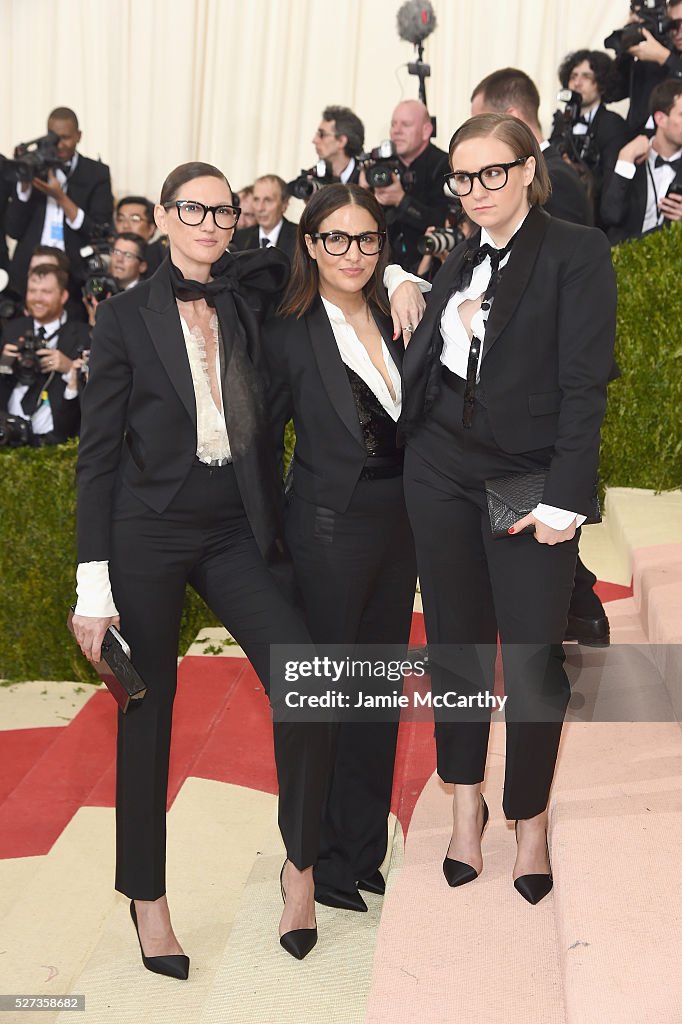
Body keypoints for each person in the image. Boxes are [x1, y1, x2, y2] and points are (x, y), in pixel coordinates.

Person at [71, 161, 337, 970]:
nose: (210, 224)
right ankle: (147, 902)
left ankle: (301, 866)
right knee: (146, 715)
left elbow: (325, 251)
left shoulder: (246, 291)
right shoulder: (121, 319)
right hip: (147, 530)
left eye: (222, 212)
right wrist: (94, 587)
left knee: (305, 677)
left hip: (234, 528)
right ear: (161, 215)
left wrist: (394, 271)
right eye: (193, 210)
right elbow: (96, 459)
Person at [400, 114, 616, 903]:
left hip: (528, 475)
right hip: (439, 469)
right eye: (463, 177)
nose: (477, 189)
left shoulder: (576, 250)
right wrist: (408, 284)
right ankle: (465, 804)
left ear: (529, 170)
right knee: (454, 648)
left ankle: (530, 817)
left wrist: (567, 498)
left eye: (493, 172)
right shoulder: (459, 254)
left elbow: (584, 385)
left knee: (531, 656)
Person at [263, 183, 417, 913]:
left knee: (375, 695)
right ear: (310, 243)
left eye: (367, 240)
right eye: (335, 239)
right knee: (324, 698)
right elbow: (259, 443)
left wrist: (404, 276)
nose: (351, 253)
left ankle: (361, 849)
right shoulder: (289, 328)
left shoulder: (397, 312)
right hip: (325, 531)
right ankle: (316, 860)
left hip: (401, 527)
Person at [6, 107, 113, 296]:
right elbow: (13, 230)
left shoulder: (96, 173)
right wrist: (24, 187)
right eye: (54, 137)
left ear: (78, 136)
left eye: (65, 137)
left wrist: (61, 198)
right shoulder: (33, 168)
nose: (59, 145)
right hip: (28, 274)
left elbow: (99, 232)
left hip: (74, 275)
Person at [471, 68, 594, 226]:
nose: (476, 137)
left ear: (512, 118)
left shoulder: (554, 179)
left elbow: (561, 247)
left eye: (482, 125)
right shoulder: (540, 172)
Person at [0, 265, 87, 444]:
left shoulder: (83, 335)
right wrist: (3, 365)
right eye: (32, 291)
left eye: (46, 292)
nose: (37, 298)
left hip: (57, 441)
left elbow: (95, 397)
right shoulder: (12, 329)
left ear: (63, 296)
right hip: (8, 436)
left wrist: (69, 368)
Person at [367, 100, 450, 273]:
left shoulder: (444, 165)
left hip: (430, 272)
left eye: (406, 124)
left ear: (426, 131)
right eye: (393, 124)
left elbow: (442, 222)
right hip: (382, 269)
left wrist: (401, 200)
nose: (396, 131)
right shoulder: (379, 166)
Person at [550, 49, 629, 226]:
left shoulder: (611, 124)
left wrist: (577, 173)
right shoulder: (562, 122)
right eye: (573, 76)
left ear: (600, 83)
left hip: (594, 219)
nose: (577, 83)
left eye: (586, 76)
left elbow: (612, 181)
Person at [601, 77, 682, 244]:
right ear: (660, 119)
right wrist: (625, 160)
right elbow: (610, 215)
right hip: (624, 259)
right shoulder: (628, 153)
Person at [610, 0, 682, 134]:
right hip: (635, 146)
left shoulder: (661, 56)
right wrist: (627, 46)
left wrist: (665, 58)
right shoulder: (650, 59)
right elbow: (611, 93)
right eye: (672, 24)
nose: (678, 31)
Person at [231, 174, 297, 258]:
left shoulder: (299, 239)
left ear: (284, 204)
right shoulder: (240, 238)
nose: (260, 208)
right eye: (256, 200)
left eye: (268, 200)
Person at [312, 105, 365, 183]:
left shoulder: (364, 178)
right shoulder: (316, 178)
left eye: (322, 134)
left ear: (341, 141)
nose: (314, 140)